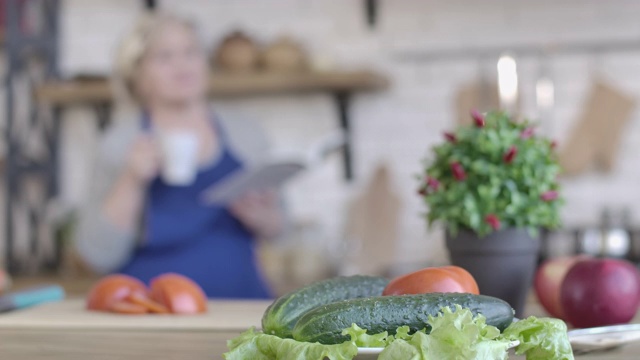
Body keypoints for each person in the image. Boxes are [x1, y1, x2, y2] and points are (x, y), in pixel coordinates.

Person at [76, 12, 284, 299]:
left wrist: (263, 217)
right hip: (151, 310)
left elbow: (281, 228)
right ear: (138, 76)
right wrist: (132, 179)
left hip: (243, 303)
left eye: (191, 52)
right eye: (164, 57)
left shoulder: (246, 133)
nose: (182, 65)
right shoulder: (119, 143)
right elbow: (97, 255)